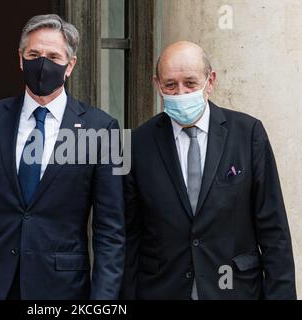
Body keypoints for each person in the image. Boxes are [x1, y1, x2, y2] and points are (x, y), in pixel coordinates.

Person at [0, 14, 124, 300]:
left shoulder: (103, 128)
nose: (43, 63)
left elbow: (110, 230)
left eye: (53, 56)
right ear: (20, 59)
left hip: (62, 289)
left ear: (70, 65)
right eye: (34, 54)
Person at [121, 41, 296, 300]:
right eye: (170, 85)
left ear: (210, 81)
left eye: (190, 83)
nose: (180, 93)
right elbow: (128, 236)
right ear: (158, 85)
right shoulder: (135, 144)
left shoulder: (248, 134)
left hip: (235, 290)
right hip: (162, 289)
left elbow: (274, 229)